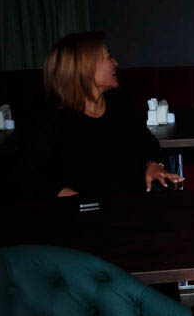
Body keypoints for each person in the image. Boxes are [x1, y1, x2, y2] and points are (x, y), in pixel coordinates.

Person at [18, 32, 182, 198]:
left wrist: (154, 165)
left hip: (130, 207)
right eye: (108, 57)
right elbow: (29, 177)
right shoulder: (51, 119)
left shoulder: (119, 103)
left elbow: (148, 144)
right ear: (86, 68)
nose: (115, 63)